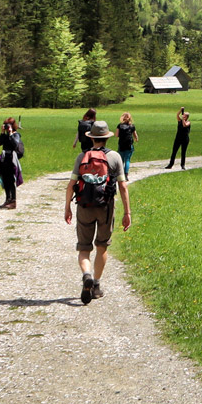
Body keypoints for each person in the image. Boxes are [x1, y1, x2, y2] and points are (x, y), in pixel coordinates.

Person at [63, 119, 130, 303]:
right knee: (102, 246)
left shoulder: (82, 157)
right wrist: (127, 213)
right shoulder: (115, 157)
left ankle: (86, 274)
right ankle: (97, 285)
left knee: (84, 248)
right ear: (107, 138)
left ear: (91, 138)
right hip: (105, 207)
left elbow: (71, 185)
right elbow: (123, 187)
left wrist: (67, 207)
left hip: (84, 206)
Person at [0, 118, 22, 208]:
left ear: (12, 126)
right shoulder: (5, 135)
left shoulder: (16, 135)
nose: (6, 127)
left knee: (11, 181)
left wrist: (10, 134)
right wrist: (2, 133)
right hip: (4, 159)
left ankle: (13, 201)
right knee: (5, 181)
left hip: (11, 160)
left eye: (8, 125)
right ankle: (7, 200)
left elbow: (15, 144)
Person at [116, 111, 138, 178]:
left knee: (121, 160)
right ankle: (126, 174)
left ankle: (120, 174)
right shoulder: (132, 126)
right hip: (129, 145)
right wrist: (136, 139)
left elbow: (116, 135)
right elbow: (135, 135)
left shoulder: (119, 125)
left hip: (121, 145)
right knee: (127, 160)